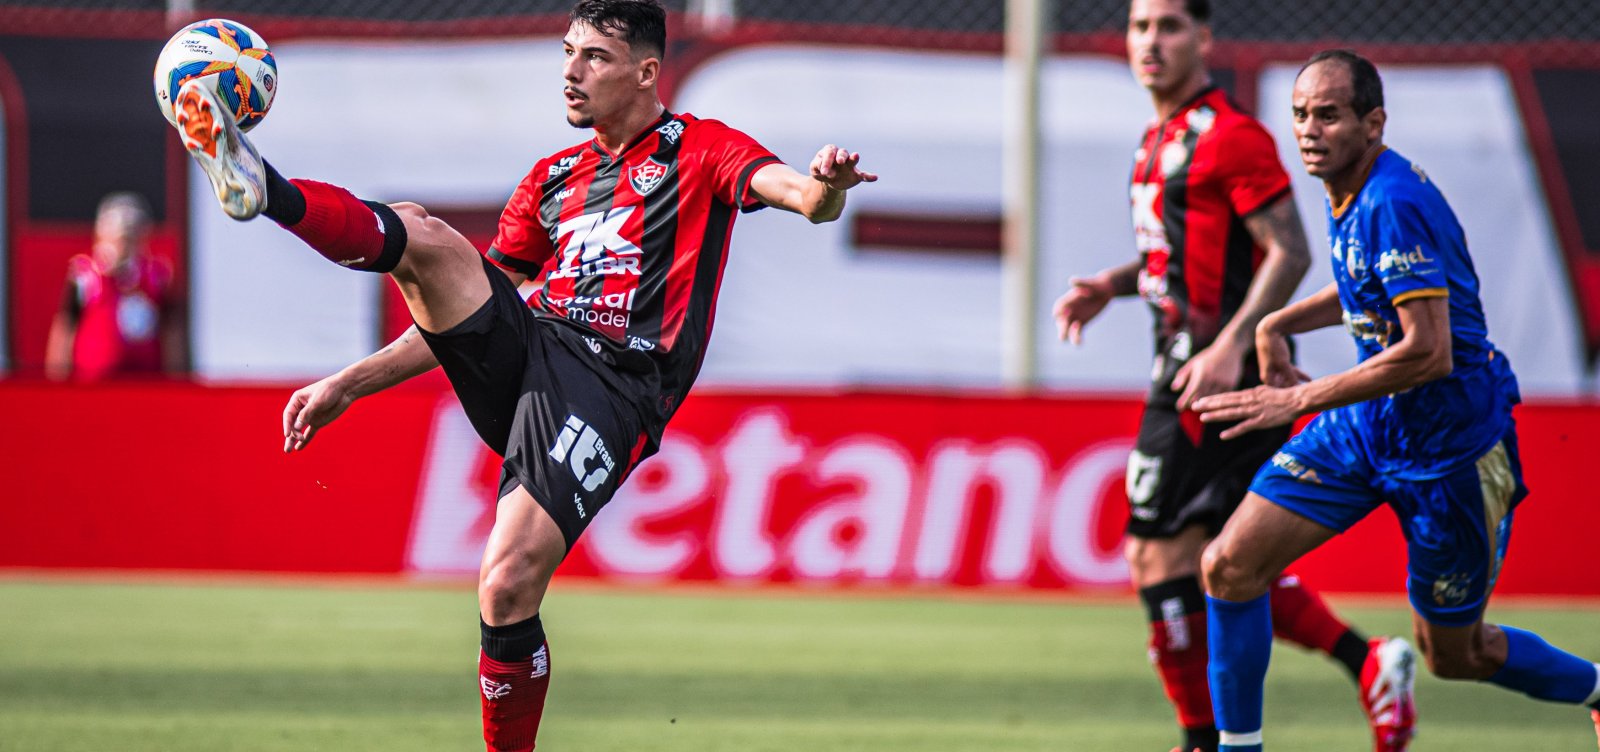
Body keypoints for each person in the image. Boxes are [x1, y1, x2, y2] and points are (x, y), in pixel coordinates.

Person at [166, 1, 875, 748]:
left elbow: (802, 199)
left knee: (505, 586)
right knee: (428, 237)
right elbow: (458, 314)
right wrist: (347, 382)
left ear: (646, 72)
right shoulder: (553, 178)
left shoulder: (700, 149)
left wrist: (825, 186)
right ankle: (264, 188)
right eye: (567, 52)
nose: (571, 72)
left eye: (594, 57)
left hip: (612, 386)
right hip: (533, 353)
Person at [1193, 49, 1600, 752]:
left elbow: (1427, 352)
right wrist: (1278, 322)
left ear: (1373, 123)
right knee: (1229, 566)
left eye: (1328, 115)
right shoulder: (1352, 188)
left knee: (1456, 655)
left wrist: (1301, 399)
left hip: (1452, 453)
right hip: (1366, 428)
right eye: (1300, 115)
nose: (1309, 130)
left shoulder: (1392, 201)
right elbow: (1365, 284)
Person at [1051, 3, 1415, 751]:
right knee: (1223, 559)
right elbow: (1177, 256)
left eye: (1170, 26)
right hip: (1195, 361)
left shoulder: (1231, 136)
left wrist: (1230, 345)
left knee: (1157, 554)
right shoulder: (1159, 140)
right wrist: (1112, 286)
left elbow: (1289, 250)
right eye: (1140, 26)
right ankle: (1366, 661)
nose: (1152, 41)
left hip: (1213, 373)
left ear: (1205, 39)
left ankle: (1201, 739)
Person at [45, 191, 187, 381]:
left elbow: (171, 331)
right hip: (93, 384)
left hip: (146, 383)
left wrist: (176, 380)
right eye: (118, 238)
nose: (123, 246)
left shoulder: (157, 275)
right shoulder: (85, 275)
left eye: (130, 238)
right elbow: (65, 326)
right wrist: (57, 381)